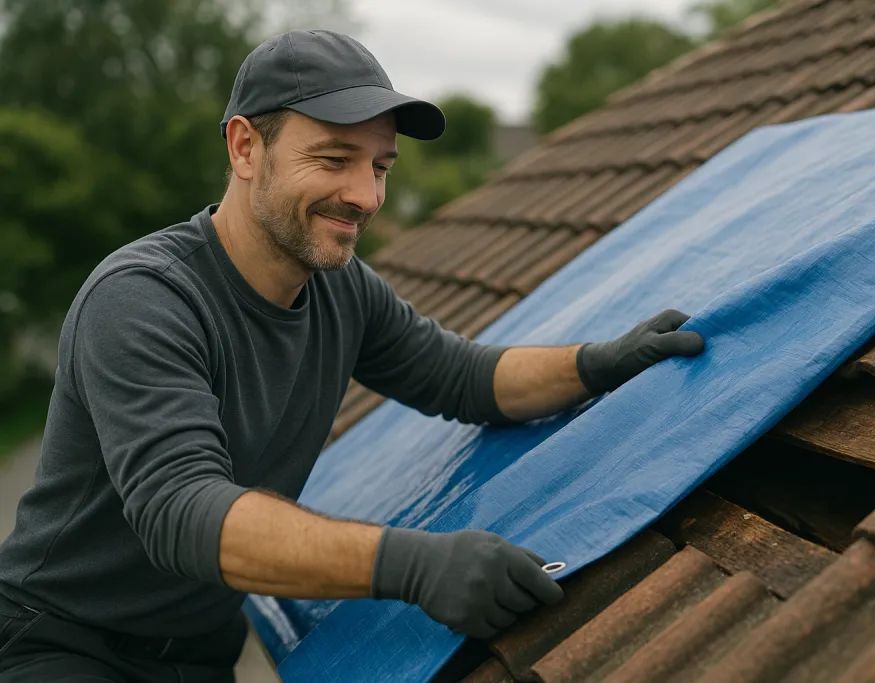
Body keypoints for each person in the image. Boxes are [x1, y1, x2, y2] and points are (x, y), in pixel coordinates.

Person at [0, 30, 705, 682]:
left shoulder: (341, 291)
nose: (366, 195)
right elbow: (181, 509)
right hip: (60, 645)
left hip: (200, 658)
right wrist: (414, 564)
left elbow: (466, 378)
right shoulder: (144, 299)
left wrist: (596, 364)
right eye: (334, 159)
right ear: (245, 148)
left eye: (380, 166)